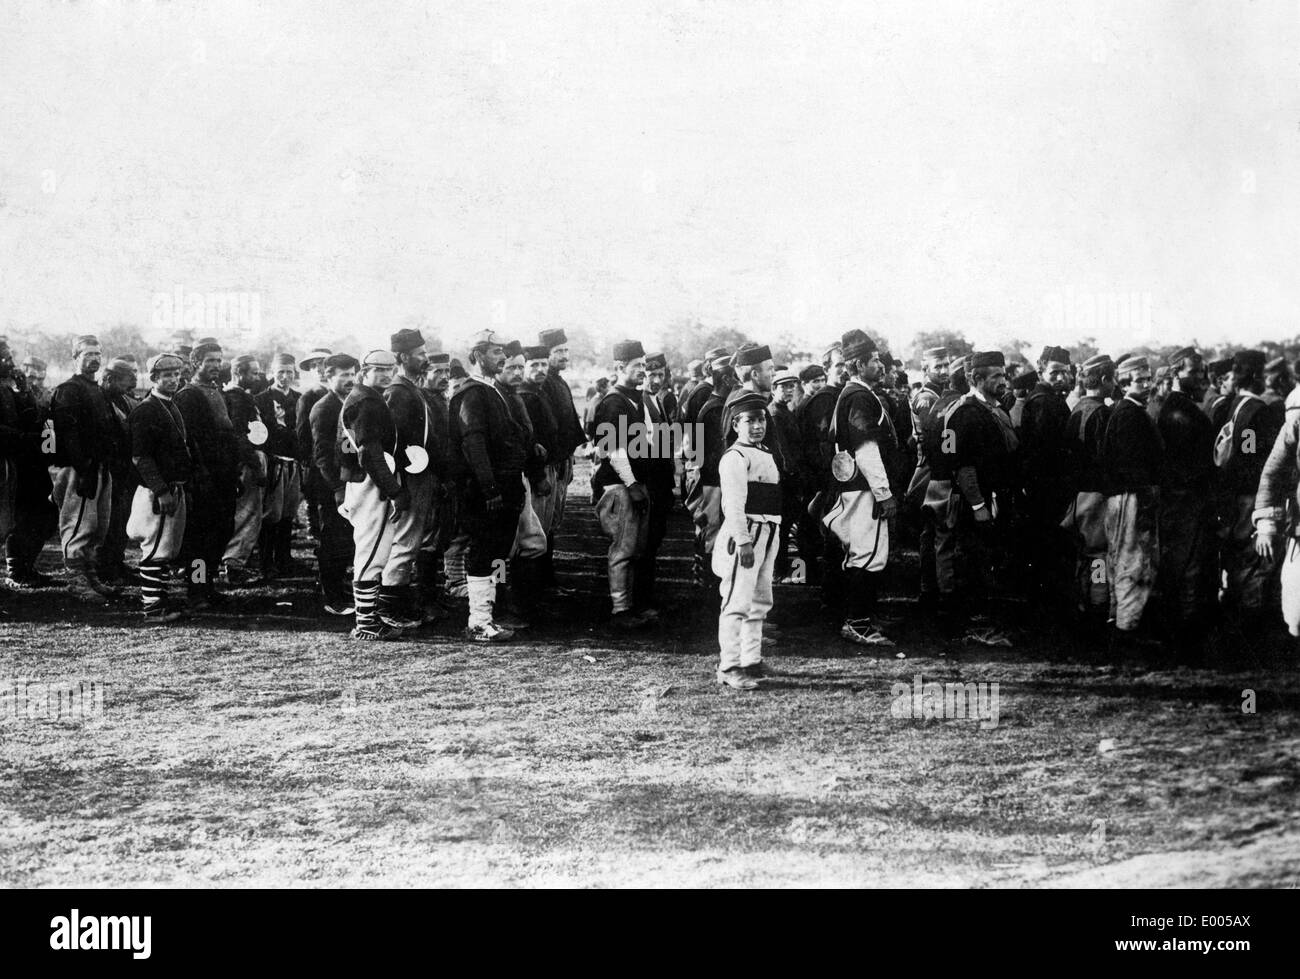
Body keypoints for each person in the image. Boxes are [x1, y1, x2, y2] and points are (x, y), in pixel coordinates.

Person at [821, 330, 900, 648]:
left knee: (862, 554)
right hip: (863, 489)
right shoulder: (859, 396)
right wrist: (885, 494)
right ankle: (857, 623)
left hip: (855, 487)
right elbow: (866, 449)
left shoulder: (856, 393)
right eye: (875, 361)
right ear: (858, 364)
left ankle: (861, 617)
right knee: (868, 556)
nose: (881, 366)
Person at [449, 331, 529, 641]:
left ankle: (492, 611)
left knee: (500, 552)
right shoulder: (473, 393)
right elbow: (473, 442)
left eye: (503, 352)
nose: (502, 358)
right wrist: (489, 488)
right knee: (484, 552)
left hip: (505, 487)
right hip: (485, 491)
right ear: (478, 355)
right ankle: (478, 621)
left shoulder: (492, 390)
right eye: (495, 352)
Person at [944, 351, 1019, 646]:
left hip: (995, 498)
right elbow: (960, 464)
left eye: (1003, 375)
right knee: (973, 564)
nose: (1003, 381)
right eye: (996, 376)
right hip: (975, 502)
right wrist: (978, 506)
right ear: (976, 379)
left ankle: (984, 622)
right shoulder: (965, 412)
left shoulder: (994, 409)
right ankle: (974, 627)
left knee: (989, 561)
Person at [713, 391, 783, 690]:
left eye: (761, 419)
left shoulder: (764, 452)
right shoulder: (734, 457)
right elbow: (733, 504)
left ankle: (750, 658)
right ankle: (729, 665)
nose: (757, 426)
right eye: (749, 420)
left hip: (769, 530)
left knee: (760, 599)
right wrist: (742, 541)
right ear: (735, 424)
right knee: (737, 600)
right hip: (747, 533)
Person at [339, 350, 411, 640]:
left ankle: (368, 618)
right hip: (371, 480)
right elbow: (369, 452)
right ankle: (366, 623)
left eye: (389, 369)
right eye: (377, 369)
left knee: (373, 549)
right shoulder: (366, 400)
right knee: (372, 551)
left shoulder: (365, 396)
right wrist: (394, 491)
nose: (384, 374)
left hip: (366, 478)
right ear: (364, 370)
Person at [590, 340, 659, 627]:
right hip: (618, 486)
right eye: (637, 366)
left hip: (634, 483)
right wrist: (631, 483)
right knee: (623, 548)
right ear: (619, 368)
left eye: (644, 365)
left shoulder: (635, 398)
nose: (643, 371)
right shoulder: (613, 401)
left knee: (634, 549)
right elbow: (613, 449)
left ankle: (629, 605)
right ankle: (621, 609)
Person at [1215, 350, 1284, 635]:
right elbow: (1249, 455)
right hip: (1248, 497)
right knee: (1253, 561)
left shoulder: (1231, 405)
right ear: (1256, 375)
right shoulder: (1255, 411)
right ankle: (1249, 628)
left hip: (1233, 497)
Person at [1099, 355, 1165, 645]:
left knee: (1124, 560)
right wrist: (1147, 494)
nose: (1147, 385)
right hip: (1132, 496)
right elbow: (1130, 463)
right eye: (1140, 380)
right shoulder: (1129, 413)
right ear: (1125, 383)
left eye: (1149, 379)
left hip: (1128, 495)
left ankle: (1121, 622)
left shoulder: (1131, 410)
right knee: (1133, 560)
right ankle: (1128, 630)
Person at [48, 335, 120, 601]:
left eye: (98, 354)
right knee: (78, 525)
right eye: (88, 354)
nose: (95, 359)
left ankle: (90, 575)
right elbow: (67, 433)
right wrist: (83, 467)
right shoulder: (69, 389)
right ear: (75, 357)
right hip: (78, 468)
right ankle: (77, 581)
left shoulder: (96, 389)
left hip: (98, 466)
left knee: (97, 525)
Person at [1155, 347, 1216, 653]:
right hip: (1186, 503)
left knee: (1189, 567)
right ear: (1177, 373)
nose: (1201, 377)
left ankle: (1185, 634)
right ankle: (1185, 638)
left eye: (1202, 371)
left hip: (1186, 501)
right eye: (1194, 371)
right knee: (1189, 568)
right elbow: (1188, 465)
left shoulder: (1180, 408)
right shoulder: (1179, 412)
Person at [127, 354, 193, 624]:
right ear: (154, 378)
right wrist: (161, 490)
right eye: (166, 375)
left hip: (171, 488)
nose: (173, 379)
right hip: (156, 492)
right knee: (154, 549)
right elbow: (140, 457)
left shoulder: (170, 405)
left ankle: (160, 600)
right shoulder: (146, 409)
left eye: (176, 374)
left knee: (167, 549)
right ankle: (153, 607)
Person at [174, 340, 241, 609]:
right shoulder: (189, 395)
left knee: (221, 532)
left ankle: (208, 585)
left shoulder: (218, 392)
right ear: (195, 363)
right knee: (200, 537)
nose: (215, 366)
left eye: (218, 360)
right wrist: (200, 477)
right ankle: (196, 590)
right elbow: (190, 441)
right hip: (204, 478)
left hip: (223, 474)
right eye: (209, 361)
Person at [381, 329, 439, 628]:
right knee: (404, 543)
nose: (425, 359)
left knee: (411, 543)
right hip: (409, 478)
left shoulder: (412, 389)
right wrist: (399, 486)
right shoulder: (398, 393)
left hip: (421, 475)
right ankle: (390, 608)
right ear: (404, 357)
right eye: (420, 354)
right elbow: (392, 443)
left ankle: (397, 603)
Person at [1061, 354, 1116, 636]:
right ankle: (1097, 604)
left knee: (1084, 554)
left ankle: (1083, 602)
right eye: (1113, 378)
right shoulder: (1102, 413)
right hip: (1096, 494)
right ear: (1105, 380)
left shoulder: (1077, 408)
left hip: (1078, 494)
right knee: (1098, 555)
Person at [1019, 347, 1074, 604]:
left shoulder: (1047, 398)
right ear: (1040, 369)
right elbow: (1044, 451)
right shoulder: (1044, 402)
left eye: (1065, 372)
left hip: (1044, 487)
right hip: (1047, 489)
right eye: (1054, 372)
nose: (1061, 378)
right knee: (1047, 550)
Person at [309, 353, 359, 615]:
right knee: (332, 540)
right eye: (344, 375)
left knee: (345, 540)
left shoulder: (349, 403)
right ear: (329, 377)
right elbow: (321, 455)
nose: (350, 379)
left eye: (352, 374)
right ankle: (332, 597)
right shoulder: (324, 408)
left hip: (347, 483)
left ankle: (338, 587)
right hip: (329, 487)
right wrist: (338, 489)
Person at [537, 328, 586, 594]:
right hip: (549, 465)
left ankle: (547, 581)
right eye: (558, 351)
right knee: (541, 526)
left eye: (566, 350)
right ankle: (539, 584)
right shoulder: (544, 382)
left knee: (552, 524)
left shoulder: (559, 380)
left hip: (561, 460)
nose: (564, 355)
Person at [3, 343, 55, 588]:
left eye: (37, 371)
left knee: (44, 515)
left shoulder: (41, 394)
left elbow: (45, 426)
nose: (32, 375)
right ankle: (16, 570)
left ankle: (25, 567)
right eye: (28, 369)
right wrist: (25, 438)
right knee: (18, 518)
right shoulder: (6, 390)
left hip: (34, 463)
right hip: (15, 462)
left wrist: (48, 451)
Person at [220, 355, 269, 585]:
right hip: (246, 463)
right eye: (254, 373)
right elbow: (239, 437)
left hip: (247, 461)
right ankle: (234, 565)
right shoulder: (236, 398)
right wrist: (255, 465)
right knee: (248, 513)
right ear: (239, 373)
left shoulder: (241, 396)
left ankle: (235, 563)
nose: (258, 377)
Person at [254, 353, 301, 578]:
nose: (284, 376)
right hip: (274, 462)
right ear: (272, 372)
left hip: (294, 462)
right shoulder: (261, 398)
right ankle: (266, 562)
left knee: (288, 513)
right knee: (271, 514)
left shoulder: (299, 398)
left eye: (289, 372)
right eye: (280, 372)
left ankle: (284, 559)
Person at [95, 358, 139, 585]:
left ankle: (117, 563)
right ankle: (105, 568)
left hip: (123, 470)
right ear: (110, 379)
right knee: (108, 521)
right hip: (107, 468)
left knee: (121, 519)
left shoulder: (122, 400)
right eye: (125, 382)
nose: (129, 388)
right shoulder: (98, 400)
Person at [295, 347, 333, 540]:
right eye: (314, 365)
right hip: (318, 460)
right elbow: (303, 433)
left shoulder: (343, 394)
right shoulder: (308, 397)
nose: (319, 369)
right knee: (319, 504)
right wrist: (308, 461)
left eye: (323, 364)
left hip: (339, 459)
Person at [770, 368, 803, 581]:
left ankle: (781, 570)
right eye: (784, 386)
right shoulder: (774, 413)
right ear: (774, 389)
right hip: (784, 479)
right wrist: (792, 474)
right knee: (781, 527)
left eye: (792, 386)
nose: (789, 390)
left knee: (786, 526)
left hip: (790, 477)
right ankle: (778, 571)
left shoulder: (785, 410)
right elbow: (781, 450)